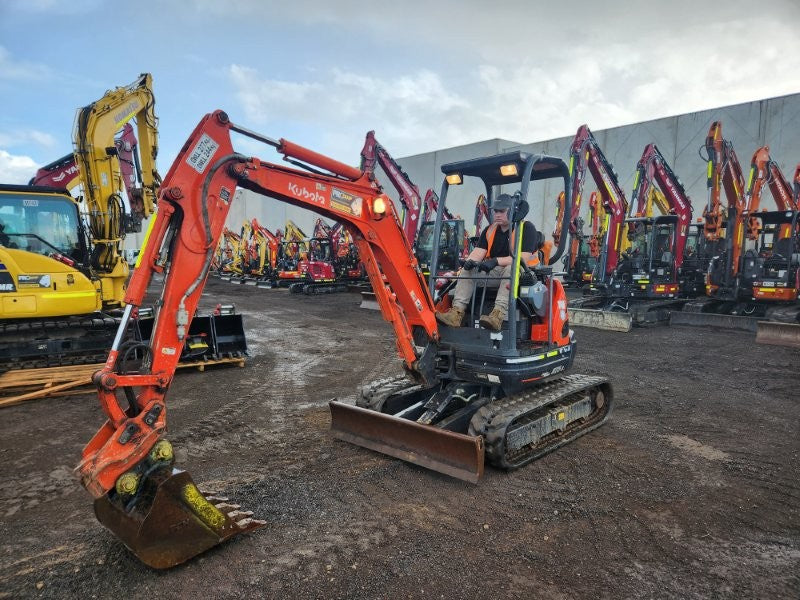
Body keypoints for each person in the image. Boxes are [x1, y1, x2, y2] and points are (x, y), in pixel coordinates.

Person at [435, 193, 543, 332]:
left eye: (501, 211)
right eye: (495, 211)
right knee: (468, 271)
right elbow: (478, 252)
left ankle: (497, 316)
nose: (497, 214)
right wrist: (468, 262)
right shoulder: (490, 230)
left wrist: (495, 261)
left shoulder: (527, 228)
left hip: (527, 274)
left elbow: (522, 259)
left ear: (513, 210)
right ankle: (456, 314)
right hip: (497, 271)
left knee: (511, 268)